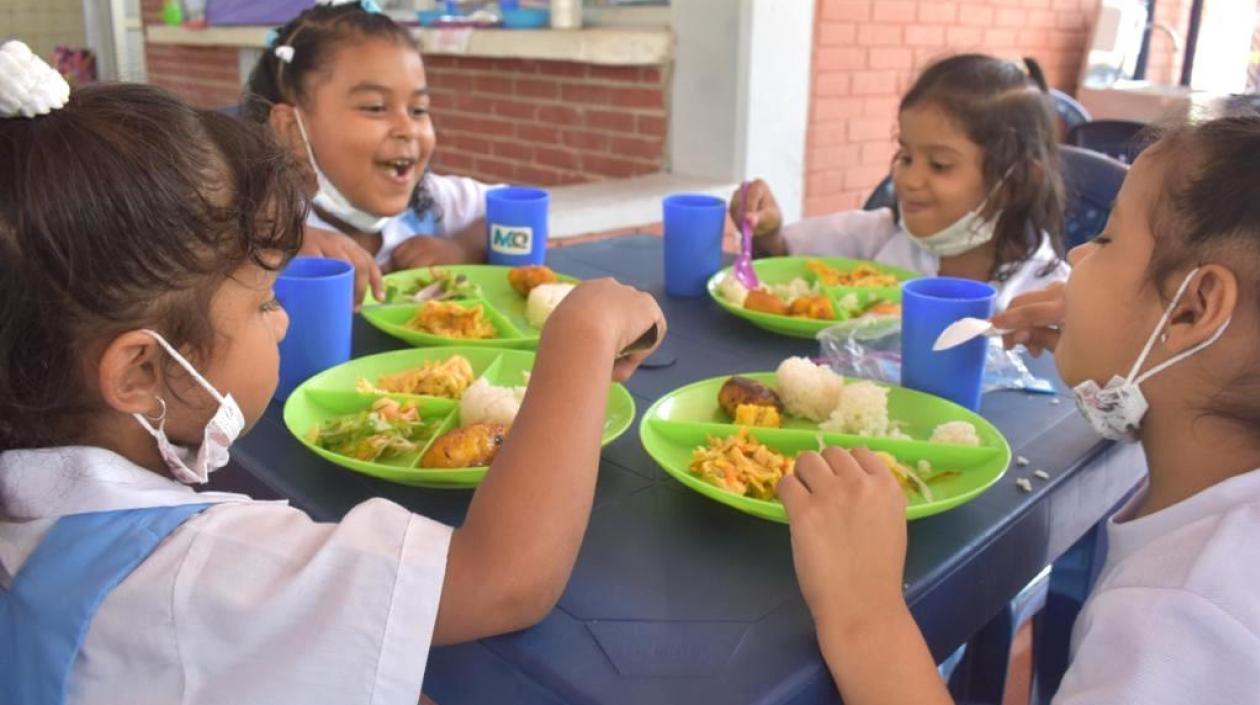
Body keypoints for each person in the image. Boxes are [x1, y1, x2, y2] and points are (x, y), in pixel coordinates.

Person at [0, 46, 665, 705]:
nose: (282, 320)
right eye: (264, 301)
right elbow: (503, 580)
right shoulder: (196, 571)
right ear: (142, 371)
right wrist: (582, 334)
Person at [779, 115, 1260, 704]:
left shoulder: (1184, 618)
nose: (1080, 255)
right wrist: (1121, 339)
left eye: (1106, 240)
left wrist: (865, 615)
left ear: (1192, 308)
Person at [733, 54, 1068, 309]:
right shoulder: (879, 237)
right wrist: (766, 231)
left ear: (1015, 182)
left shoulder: (1052, 293)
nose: (908, 178)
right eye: (906, 157)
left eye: (939, 165)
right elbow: (782, 259)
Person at [244, 0, 498, 305]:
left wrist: (462, 249)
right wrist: (281, 245)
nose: (408, 129)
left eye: (419, 110)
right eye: (376, 107)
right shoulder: (263, 215)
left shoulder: (428, 202)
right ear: (290, 128)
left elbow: (521, 213)